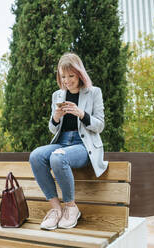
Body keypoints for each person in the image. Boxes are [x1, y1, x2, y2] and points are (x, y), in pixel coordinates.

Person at [29, 52, 108, 230]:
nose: (67, 80)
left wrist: (81, 114)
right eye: (63, 76)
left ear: (80, 74)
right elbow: (53, 129)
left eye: (71, 76)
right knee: (35, 156)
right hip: (62, 141)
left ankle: (71, 208)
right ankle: (56, 210)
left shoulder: (94, 92)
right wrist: (56, 117)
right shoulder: (57, 95)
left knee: (58, 157)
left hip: (83, 145)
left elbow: (100, 125)